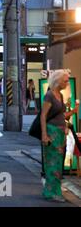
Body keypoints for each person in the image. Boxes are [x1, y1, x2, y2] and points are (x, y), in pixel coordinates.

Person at [41, 70, 79, 203]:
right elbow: (43, 115)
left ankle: (55, 191)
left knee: (58, 164)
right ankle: (50, 192)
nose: (67, 83)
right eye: (65, 80)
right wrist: (44, 134)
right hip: (52, 132)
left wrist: (73, 112)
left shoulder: (60, 96)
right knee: (52, 164)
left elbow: (60, 115)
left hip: (61, 133)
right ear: (57, 81)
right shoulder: (50, 95)